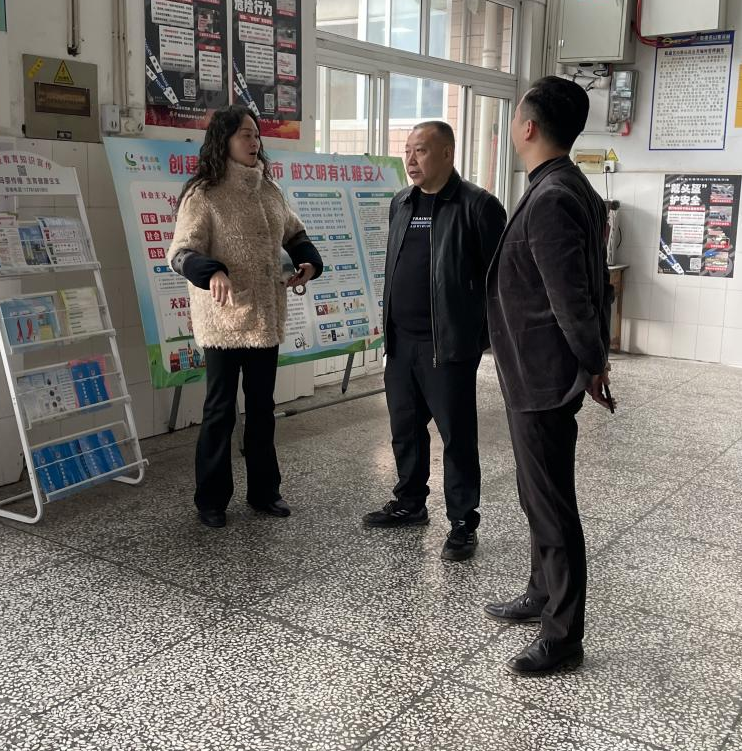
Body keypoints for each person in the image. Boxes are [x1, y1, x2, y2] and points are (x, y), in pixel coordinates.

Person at [482, 76, 614, 676]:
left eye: (516, 115)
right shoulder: (564, 185)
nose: (513, 124)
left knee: (553, 504)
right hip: (535, 369)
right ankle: (540, 591)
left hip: (542, 372)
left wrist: (592, 361)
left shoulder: (553, 196)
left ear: (529, 127)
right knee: (537, 493)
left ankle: (562, 636)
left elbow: (572, 297)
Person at [167, 106, 324, 528]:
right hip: (223, 319)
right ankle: (211, 500)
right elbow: (180, 253)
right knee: (220, 411)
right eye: (244, 135)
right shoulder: (203, 193)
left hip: (265, 317)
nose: (254, 142)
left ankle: (264, 492)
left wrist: (308, 261)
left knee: (261, 408)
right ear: (224, 141)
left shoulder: (269, 189)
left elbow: (295, 232)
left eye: (256, 134)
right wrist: (212, 271)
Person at [361, 121, 507, 562]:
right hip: (401, 341)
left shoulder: (478, 206)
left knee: (456, 437)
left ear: (447, 153)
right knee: (404, 429)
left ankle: (463, 523)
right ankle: (410, 503)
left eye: (421, 150)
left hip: (448, 346)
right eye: (407, 150)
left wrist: (475, 339)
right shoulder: (401, 202)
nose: (410, 159)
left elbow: (499, 281)